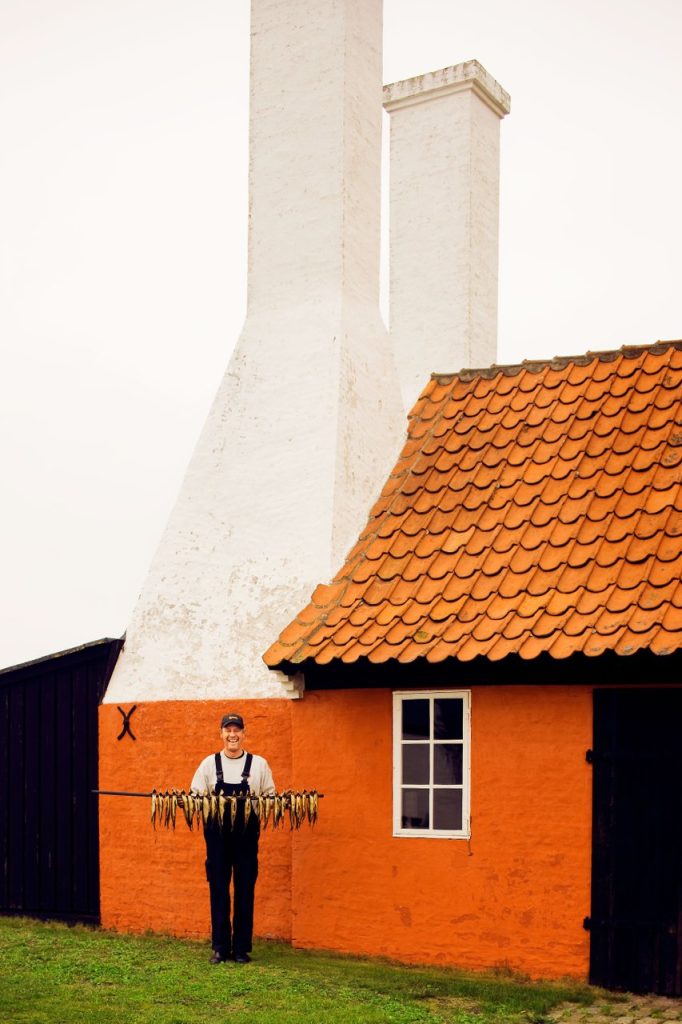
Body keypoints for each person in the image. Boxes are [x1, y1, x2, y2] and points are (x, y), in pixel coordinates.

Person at [190, 712, 276, 964]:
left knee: (245, 888)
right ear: (221, 734)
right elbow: (195, 795)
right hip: (216, 836)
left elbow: (270, 796)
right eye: (228, 730)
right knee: (218, 888)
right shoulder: (208, 764)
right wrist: (189, 802)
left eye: (237, 730)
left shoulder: (259, 764)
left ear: (244, 733)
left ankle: (241, 949)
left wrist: (269, 803)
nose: (232, 734)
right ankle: (219, 947)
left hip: (247, 835)